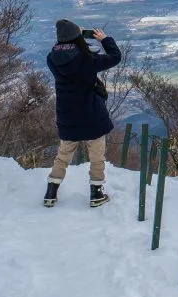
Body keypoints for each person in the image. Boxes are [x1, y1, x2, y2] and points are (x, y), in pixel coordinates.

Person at [44, 19, 122, 207]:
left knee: (63, 155)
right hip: (91, 114)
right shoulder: (86, 59)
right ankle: (96, 194)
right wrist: (105, 39)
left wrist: (71, 36)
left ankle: (51, 192)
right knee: (97, 156)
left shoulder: (52, 59)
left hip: (67, 114)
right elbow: (115, 57)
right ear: (77, 37)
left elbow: (62, 51)